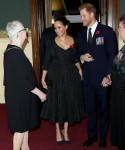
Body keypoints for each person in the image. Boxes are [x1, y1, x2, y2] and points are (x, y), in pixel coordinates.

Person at [78, 3, 118, 148]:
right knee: (90, 110)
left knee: (104, 110)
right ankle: (92, 136)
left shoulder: (107, 32)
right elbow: (78, 53)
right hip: (87, 80)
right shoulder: (81, 34)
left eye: (83, 16)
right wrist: (82, 57)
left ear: (92, 15)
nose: (81, 18)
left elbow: (112, 56)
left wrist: (108, 76)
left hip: (102, 80)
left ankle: (102, 138)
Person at [41, 16, 84, 144]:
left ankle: (65, 130)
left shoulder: (74, 41)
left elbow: (75, 57)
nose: (57, 30)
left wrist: (80, 69)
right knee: (57, 101)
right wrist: (43, 78)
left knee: (68, 101)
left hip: (71, 75)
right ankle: (57, 130)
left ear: (66, 26)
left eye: (59, 27)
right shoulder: (51, 42)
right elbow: (47, 62)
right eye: (55, 28)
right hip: (56, 75)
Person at [4, 20, 46, 150]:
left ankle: (26, 147)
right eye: (25, 30)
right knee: (20, 129)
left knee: (24, 125)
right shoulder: (15, 54)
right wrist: (40, 94)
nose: (26, 32)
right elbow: (23, 81)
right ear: (20, 34)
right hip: (19, 96)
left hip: (20, 95)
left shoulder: (12, 50)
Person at [107, 14, 125, 150]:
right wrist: (110, 77)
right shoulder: (123, 48)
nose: (118, 31)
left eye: (120, 27)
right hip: (119, 93)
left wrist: (112, 78)